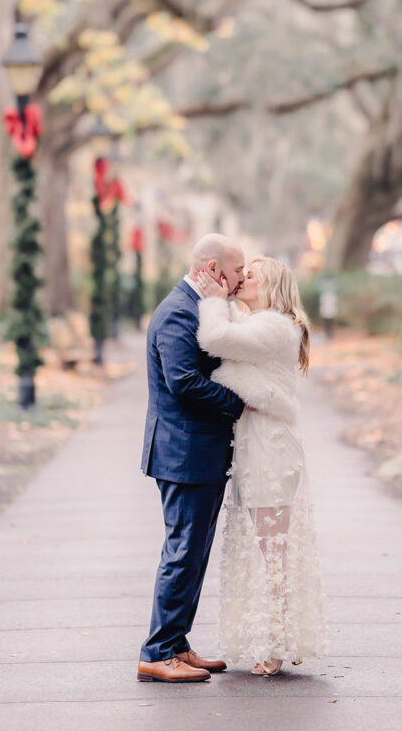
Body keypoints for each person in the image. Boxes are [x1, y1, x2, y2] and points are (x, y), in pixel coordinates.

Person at [194, 256, 327, 676]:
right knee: (265, 550)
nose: (241, 279)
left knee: (272, 553)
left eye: (251, 275)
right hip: (259, 448)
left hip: (271, 454)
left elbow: (215, 340)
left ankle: (273, 645)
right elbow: (235, 358)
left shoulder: (273, 326)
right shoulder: (263, 323)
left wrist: (214, 300)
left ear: (272, 286)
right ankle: (278, 637)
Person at [137, 233, 246, 684]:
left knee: (195, 551)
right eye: (238, 271)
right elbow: (182, 381)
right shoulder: (177, 312)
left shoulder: (194, 307)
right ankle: (157, 651)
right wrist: (240, 401)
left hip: (198, 451)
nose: (242, 279)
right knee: (183, 551)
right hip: (184, 452)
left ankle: (177, 643)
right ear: (215, 270)